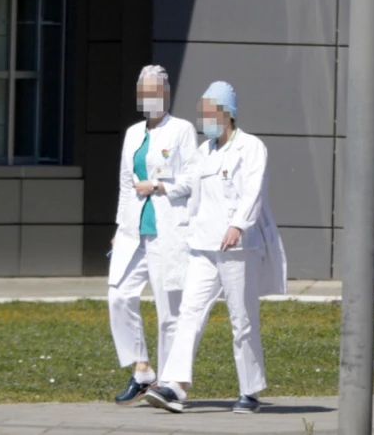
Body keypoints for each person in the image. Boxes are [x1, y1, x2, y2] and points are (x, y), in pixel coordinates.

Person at [144, 81, 287, 414]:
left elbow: (253, 191)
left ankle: (250, 391)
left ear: (227, 113)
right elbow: (187, 184)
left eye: (209, 111)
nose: (204, 118)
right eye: (202, 112)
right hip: (203, 247)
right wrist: (159, 186)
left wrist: (238, 224)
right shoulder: (203, 151)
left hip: (238, 248)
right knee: (189, 314)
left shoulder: (251, 147)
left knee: (242, 319)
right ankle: (175, 386)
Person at [107, 65, 199, 405]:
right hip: (134, 232)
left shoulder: (181, 130)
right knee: (119, 295)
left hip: (167, 231)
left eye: (155, 92)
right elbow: (125, 184)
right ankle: (142, 369)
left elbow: (192, 179)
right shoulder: (133, 133)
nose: (150, 98)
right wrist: (120, 226)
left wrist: (159, 185)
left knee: (168, 310)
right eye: (144, 92)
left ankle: (170, 383)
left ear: (166, 93)